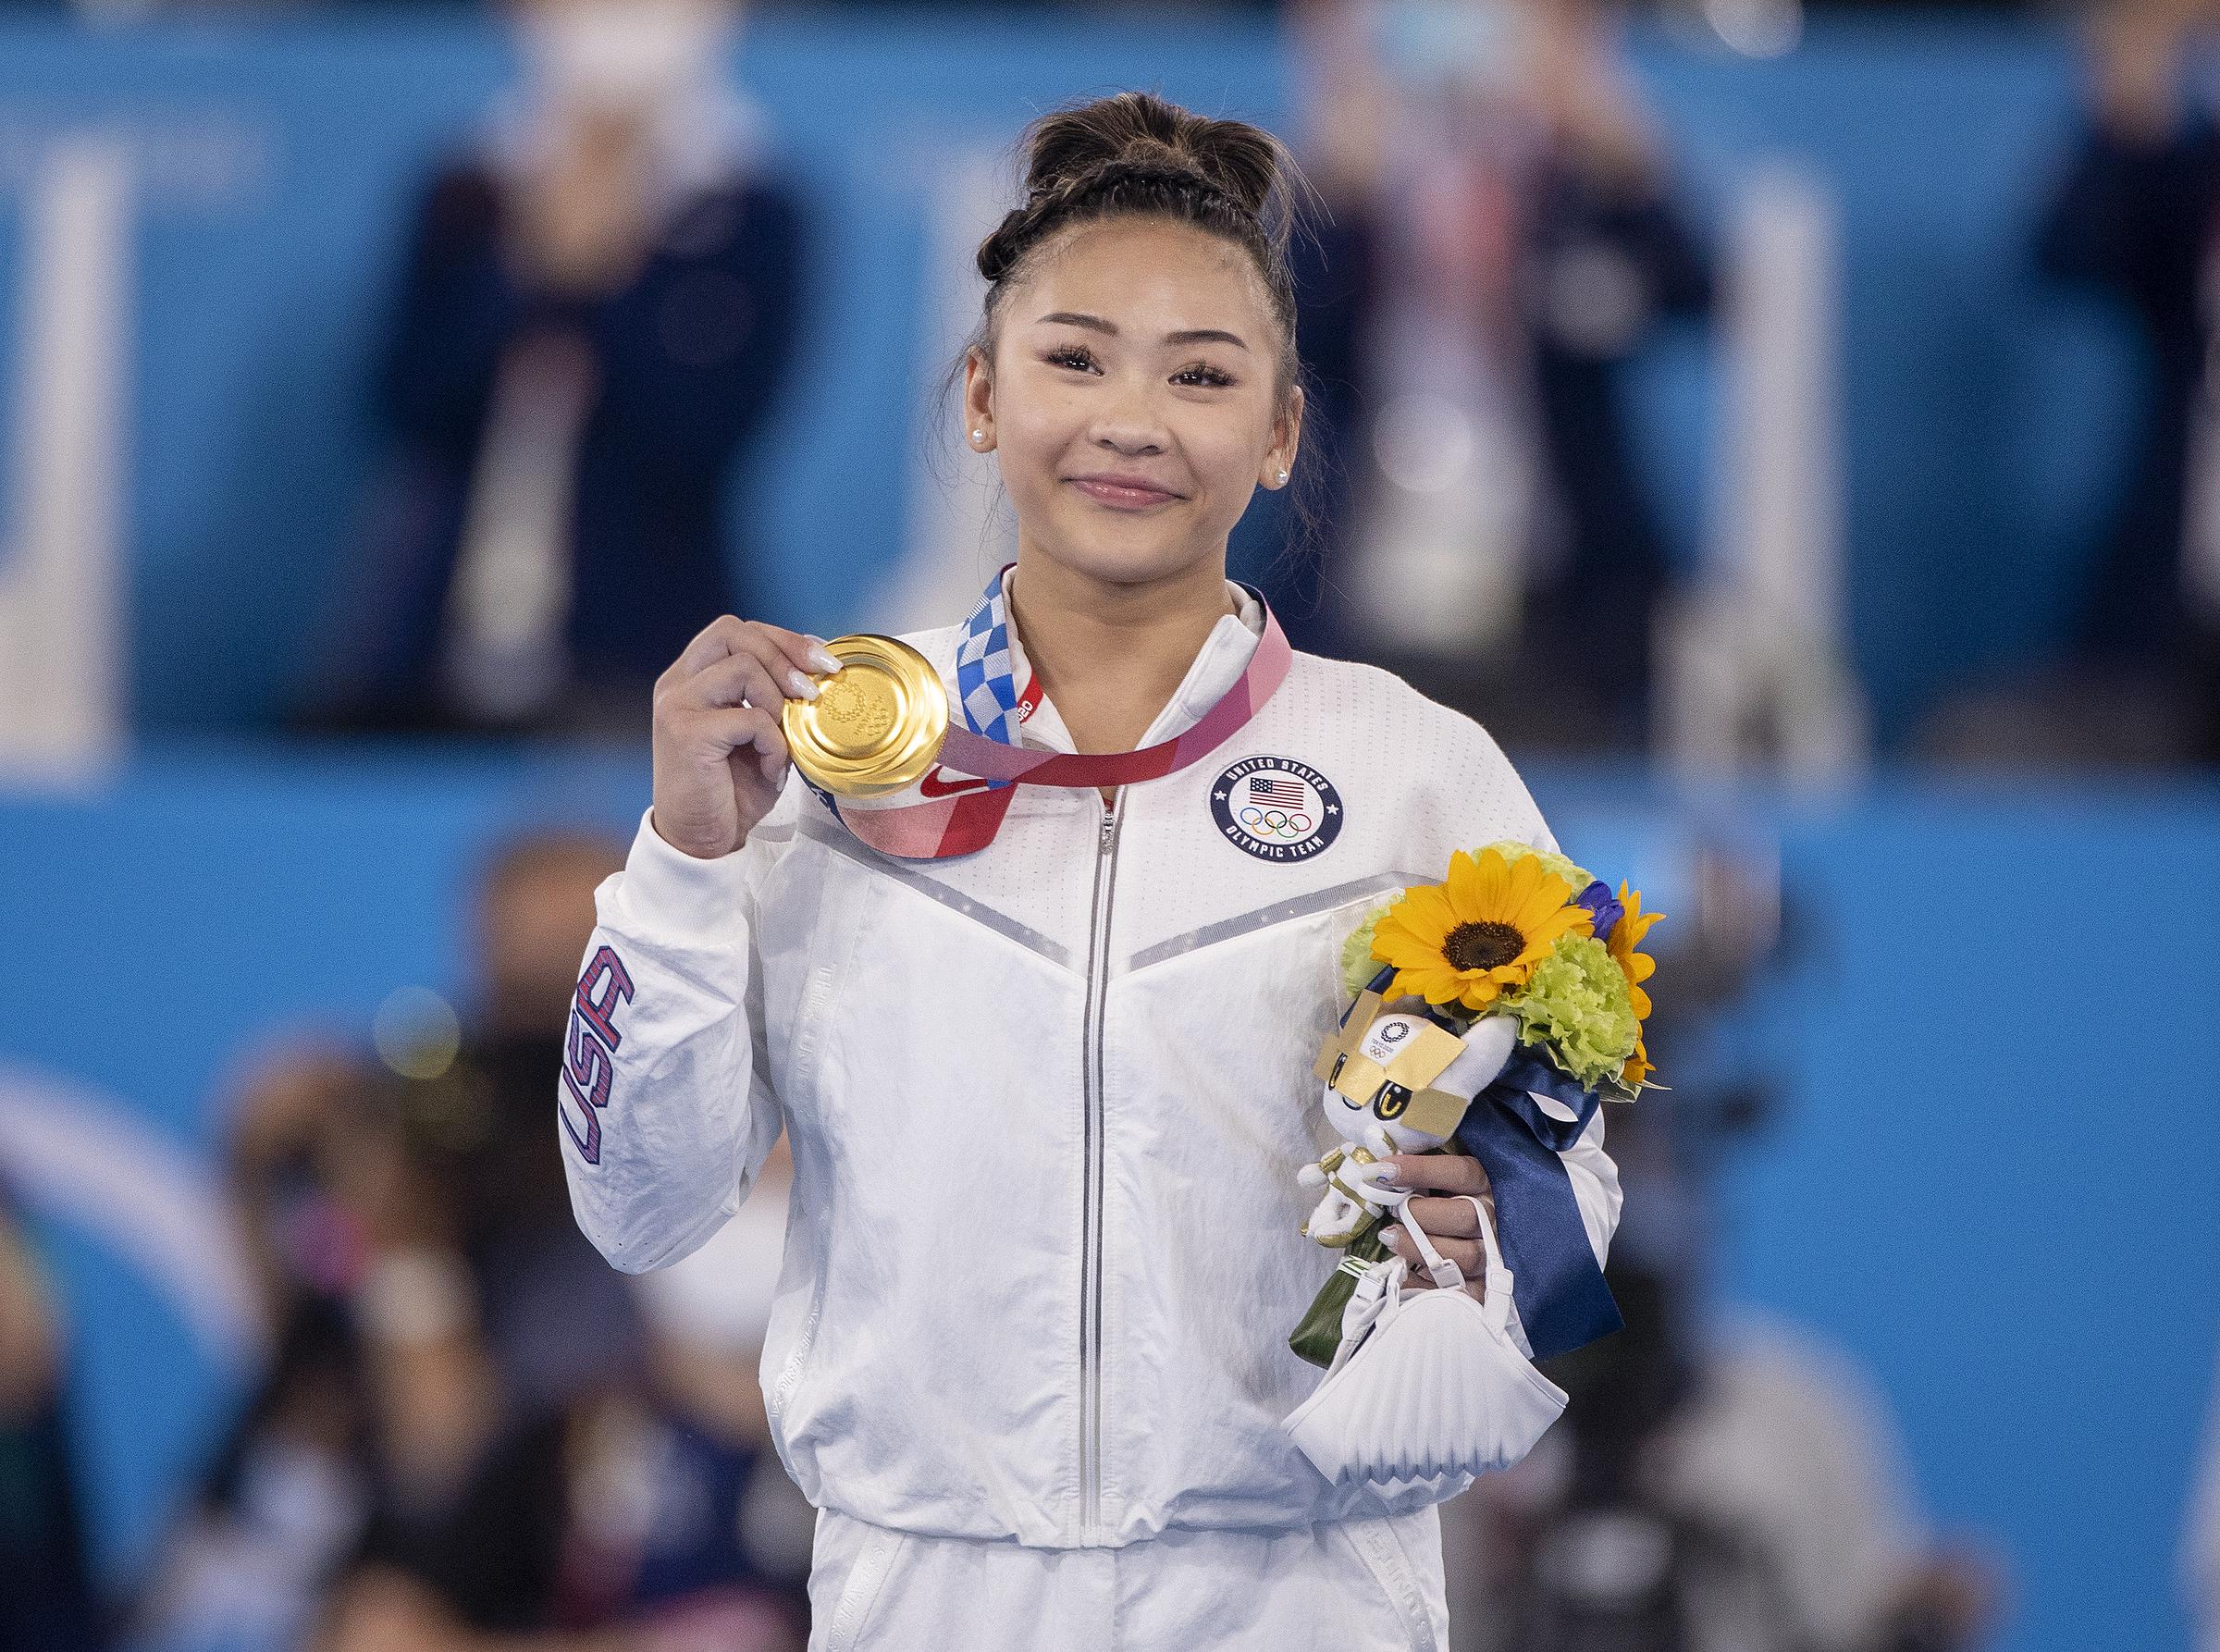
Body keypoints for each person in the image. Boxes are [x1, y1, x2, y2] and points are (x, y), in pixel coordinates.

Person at [561, 91, 1622, 1650]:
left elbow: (1569, 1188)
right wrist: (680, 864)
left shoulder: (1413, 769)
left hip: (1301, 1595)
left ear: (1279, 434)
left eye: (1201, 375)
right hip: (927, 1592)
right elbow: (640, 1211)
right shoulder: (820, 755)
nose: (1131, 419)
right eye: (1074, 358)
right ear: (982, 395)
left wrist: (1494, 1237)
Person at [293, 0, 805, 737]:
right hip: (433, 649)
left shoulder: (757, 210)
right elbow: (407, 403)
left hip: (649, 650)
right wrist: (526, 266)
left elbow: (702, 436)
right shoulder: (464, 190)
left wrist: (613, 270)